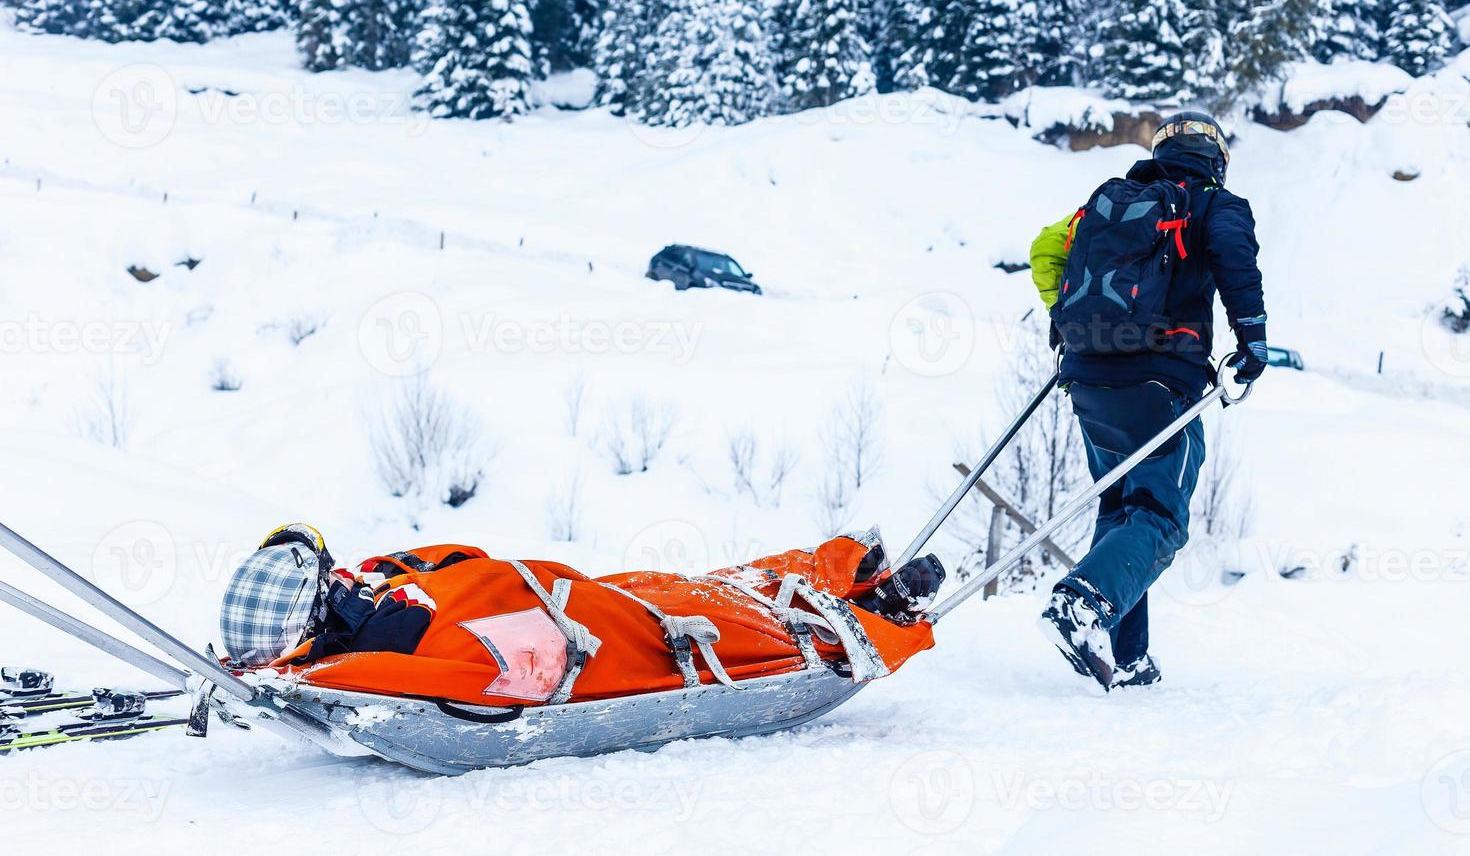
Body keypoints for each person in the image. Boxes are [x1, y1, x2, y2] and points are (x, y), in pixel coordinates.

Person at [1027, 111, 1267, 691]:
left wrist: (1067, 323)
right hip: (1162, 379)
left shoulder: (1107, 204)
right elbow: (1236, 263)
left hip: (1088, 376)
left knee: (1121, 509)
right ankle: (1083, 605)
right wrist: (1252, 338)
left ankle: (1128, 657)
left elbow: (1044, 250)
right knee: (1160, 517)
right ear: (1217, 158)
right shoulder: (1217, 204)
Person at [217, 524, 941, 706]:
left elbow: (459, 557)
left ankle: (847, 573)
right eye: (331, 583)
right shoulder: (397, 650)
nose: (346, 576)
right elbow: (510, 676)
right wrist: (292, 681)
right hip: (619, 631)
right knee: (740, 619)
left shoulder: (384, 593)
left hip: (600, 595)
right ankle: (879, 606)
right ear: (322, 620)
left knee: (717, 586)